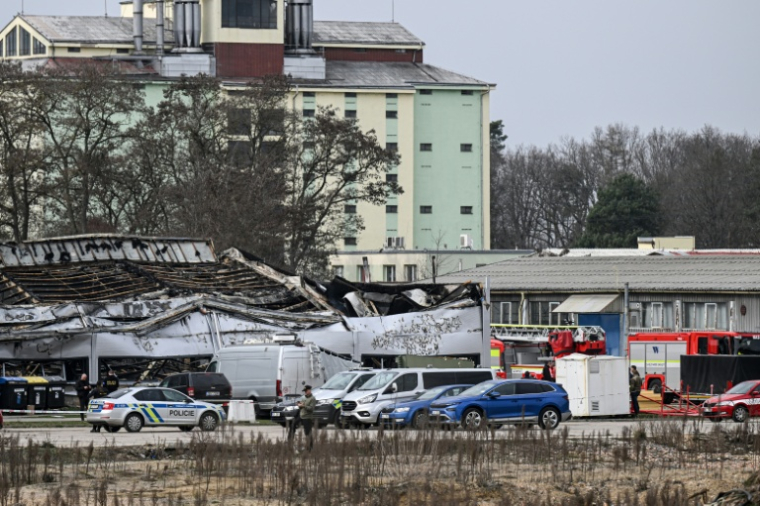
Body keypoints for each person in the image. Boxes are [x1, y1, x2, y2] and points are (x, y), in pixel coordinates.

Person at [288, 385, 317, 450]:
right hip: (301, 415)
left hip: (307, 417)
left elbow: (311, 409)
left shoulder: (312, 399)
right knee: (292, 425)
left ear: (309, 390)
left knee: (308, 432)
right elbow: (301, 406)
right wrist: (299, 404)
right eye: (304, 391)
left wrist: (304, 406)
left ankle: (310, 447)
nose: (305, 392)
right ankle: (289, 442)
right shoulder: (303, 397)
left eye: (306, 391)